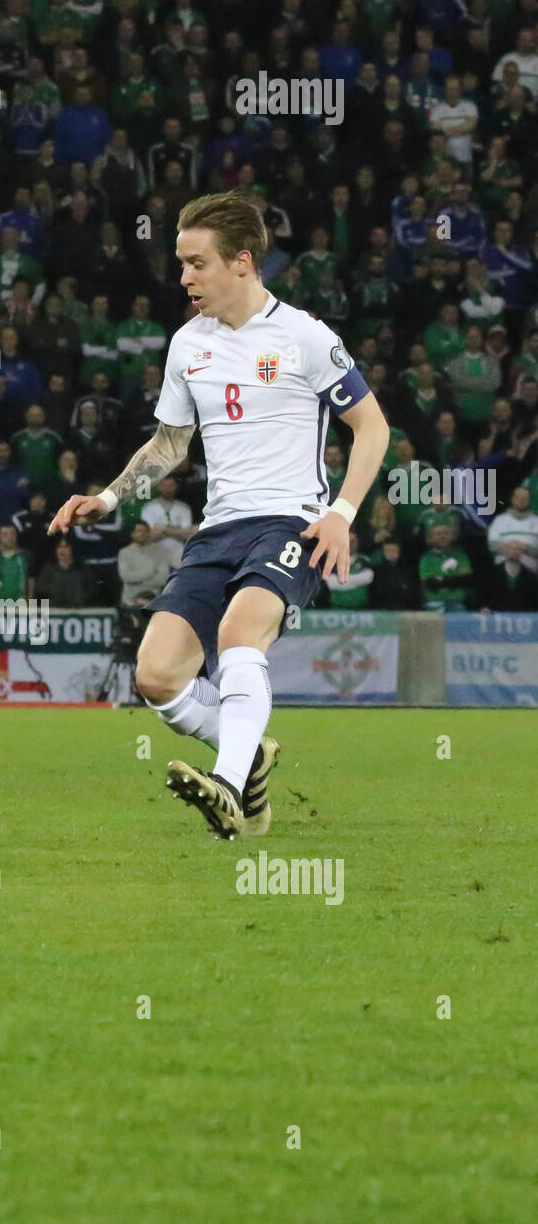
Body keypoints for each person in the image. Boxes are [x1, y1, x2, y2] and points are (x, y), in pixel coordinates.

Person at [49, 191, 390, 838]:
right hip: (218, 530)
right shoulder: (188, 345)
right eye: (180, 263)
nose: (183, 278)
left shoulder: (305, 336)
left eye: (195, 263)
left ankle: (230, 788)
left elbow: (371, 427)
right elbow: (172, 443)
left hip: (292, 522)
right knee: (155, 676)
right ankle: (248, 756)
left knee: (240, 636)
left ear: (241, 262)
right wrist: (111, 496)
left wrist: (342, 511)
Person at [118, 519, 170, 606]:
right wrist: (150, 572)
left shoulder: (159, 551)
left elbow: (163, 578)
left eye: (145, 531)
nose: (142, 534)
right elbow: (126, 577)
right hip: (130, 600)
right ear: (132, 534)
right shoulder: (124, 552)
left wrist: (138, 583)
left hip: (154, 599)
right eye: (139, 531)